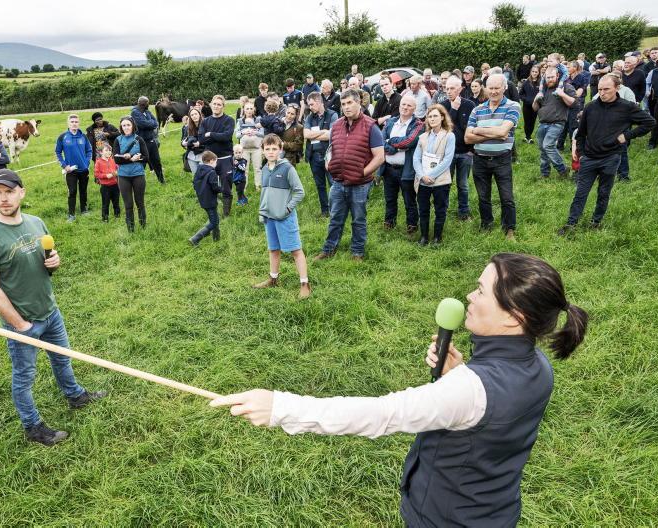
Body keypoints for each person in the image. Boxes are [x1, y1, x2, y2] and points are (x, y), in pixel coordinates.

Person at [210, 252, 588, 528]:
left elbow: (380, 414)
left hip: (444, 517)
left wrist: (278, 406)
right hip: (495, 511)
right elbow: (492, 412)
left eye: (481, 291)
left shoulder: (469, 391)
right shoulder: (539, 367)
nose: (470, 297)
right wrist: (462, 372)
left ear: (514, 317)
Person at [0, 169, 107, 446]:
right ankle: (33, 427)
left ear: (22, 192)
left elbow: (45, 261)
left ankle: (75, 396)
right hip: (21, 321)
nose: (4, 198)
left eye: (9, 191)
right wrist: (20, 325)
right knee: (24, 376)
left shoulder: (36, 223)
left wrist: (54, 261)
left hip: (50, 311)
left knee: (62, 358)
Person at [558, 75, 655, 234]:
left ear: (617, 88)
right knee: (580, 193)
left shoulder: (627, 107)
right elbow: (580, 133)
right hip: (589, 157)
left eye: (606, 89)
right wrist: (581, 153)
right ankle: (571, 224)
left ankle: (596, 222)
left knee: (604, 192)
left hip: (611, 157)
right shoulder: (590, 107)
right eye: (600, 89)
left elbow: (650, 122)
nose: (602, 93)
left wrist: (627, 136)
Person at [314, 88, 385, 262]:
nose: (346, 107)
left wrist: (363, 172)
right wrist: (327, 162)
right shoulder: (337, 125)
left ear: (358, 103)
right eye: (343, 104)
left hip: (360, 184)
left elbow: (380, 156)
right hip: (338, 182)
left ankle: (357, 252)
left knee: (358, 220)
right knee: (335, 218)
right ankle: (329, 249)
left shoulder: (370, 126)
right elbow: (331, 149)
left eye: (349, 103)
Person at [252, 134, 311, 299]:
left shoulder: (287, 169)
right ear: (263, 151)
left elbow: (299, 192)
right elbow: (265, 194)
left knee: (295, 250)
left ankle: (305, 283)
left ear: (280, 150)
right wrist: (262, 212)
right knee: (273, 249)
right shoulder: (264, 170)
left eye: (274, 149)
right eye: (267, 149)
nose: (271, 152)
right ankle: (273, 279)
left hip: (285, 218)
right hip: (269, 218)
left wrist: (287, 208)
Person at [465, 74, 520, 241]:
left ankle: (509, 229)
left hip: (502, 159)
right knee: (483, 196)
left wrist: (478, 130)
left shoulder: (513, 106)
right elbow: (467, 138)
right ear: (485, 88)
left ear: (504, 88)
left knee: (506, 196)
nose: (494, 91)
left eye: (497, 88)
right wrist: (492, 133)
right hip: (480, 159)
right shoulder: (477, 109)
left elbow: (504, 132)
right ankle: (486, 224)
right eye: (491, 88)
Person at [381, 95, 425, 234]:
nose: (405, 107)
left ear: (414, 108)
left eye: (409, 106)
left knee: (409, 199)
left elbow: (409, 141)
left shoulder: (418, 124)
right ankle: (389, 223)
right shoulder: (390, 122)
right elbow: (380, 141)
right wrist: (392, 148)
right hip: (388, 169)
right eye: (403, 104)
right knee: (389, 199)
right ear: (399, 105)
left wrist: (390, 141)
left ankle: (412, 226)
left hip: (406, 170)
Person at [413, 105, 456, 246]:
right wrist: (422, 175)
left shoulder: (449, 136)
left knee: (440, 209)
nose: (432, 119)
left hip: (440, 180)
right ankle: (424, 237)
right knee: (423, 210)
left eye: (435, 116)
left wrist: (431, 175)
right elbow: (416, 159)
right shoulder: (422, 137)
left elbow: (447, 160)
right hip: (423, 180)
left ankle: (437, 237)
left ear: (442, 117)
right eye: (430, 116)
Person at [441, 76, 476, 221]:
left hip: (465, 152)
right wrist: (453, 110)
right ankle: (442, 211)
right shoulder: (443, 106)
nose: (449, 91)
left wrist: (472, 150)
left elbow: (475, 128)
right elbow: (444, 129)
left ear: (460, 88)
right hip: (447, 153)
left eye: (452, 88)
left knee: (463, 185)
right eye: (447, 88)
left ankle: (464, 212)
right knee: (445, 184)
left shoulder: (470, 105)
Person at [533, 68, 576, 178]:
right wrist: (535, 100)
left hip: (557, 123)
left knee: (548, 145)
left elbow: (573, 103)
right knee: (543, 149)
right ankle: (544, 174)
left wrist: (562, 94)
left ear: (557, 75)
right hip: (542, 123)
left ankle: (563, 169)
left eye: (552, 77)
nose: (550, 79)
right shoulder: (543, 89)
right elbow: (535, 108)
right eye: (548, 77)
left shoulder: (565, 87)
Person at [199, 94, 236, 217]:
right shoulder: (205, 121)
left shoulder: (229, 120)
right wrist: (215, 136)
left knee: (226, 185)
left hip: (225, 158)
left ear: (223, 106)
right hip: (209, 159)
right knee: (209, 185)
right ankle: (211, 210)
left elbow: (226, 137)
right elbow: (202, 139)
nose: (216, 106)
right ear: (211, 105)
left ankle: (226, 213)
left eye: (219, 104)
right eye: (214, 104)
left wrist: (210, 134)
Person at [304, 91, 338, 217]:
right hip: (313, 156)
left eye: (312, 104)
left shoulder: (332, 115)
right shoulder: (309, 117)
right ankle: (325, 210)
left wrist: (321, 134)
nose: (310, 107)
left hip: (328, 155)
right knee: (320, 185)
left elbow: (332, 135)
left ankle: (336, 209)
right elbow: (306, 134)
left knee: (333, 184)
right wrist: (324, 131)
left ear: (319, 102)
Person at [55, 114, 93, 223]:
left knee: (83, 191)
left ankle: (84, 210)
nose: (74, 123)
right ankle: (71, 215)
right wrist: (64, 165)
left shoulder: (83, 136)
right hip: (70, 170)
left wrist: (86, 162)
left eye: (76, 121)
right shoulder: (63, 137)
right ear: (68, 123)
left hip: (83, 170)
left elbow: (89, 150)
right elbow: (57, 152)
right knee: (72, 192)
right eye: (72, 122)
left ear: (79, 123)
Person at [113, 116, 148, 232]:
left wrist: (139, 158)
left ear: (132, 126)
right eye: (124, 125)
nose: (126, 127)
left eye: (128, 125)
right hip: (123, 176)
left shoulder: (139, 139)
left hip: (138, 174)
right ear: (121, 127)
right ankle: (131, 229)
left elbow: (146, 157)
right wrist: (130, 159)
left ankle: (143, 227)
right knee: (128, 205)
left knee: (140, 202)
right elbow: (117, 160)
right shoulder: (118, 140)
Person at [189, 150, 222, 246]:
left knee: (215, 219)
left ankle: (216, 238)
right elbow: (215, 187)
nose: (216, 164)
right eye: (216, 161)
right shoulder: (212, 172)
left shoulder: (199, 170)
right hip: (210, 200)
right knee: (214, 222)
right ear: (211, 161)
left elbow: (194, 184)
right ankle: (195, 238)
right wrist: (221, 188)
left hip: (202, 199)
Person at [130, 96, 164, 184]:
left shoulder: (147, 111)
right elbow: (143, 124)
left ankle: (161, 180)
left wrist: (150, 124)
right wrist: (150, 124)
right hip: (141, 142)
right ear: (143, 104)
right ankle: (139, 183)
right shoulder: (135, 112)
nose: (148, 104)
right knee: (141, 163)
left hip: (151, 140)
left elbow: (155, 122)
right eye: (148, 103)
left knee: (156, 161)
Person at [235, 101, 264, 191]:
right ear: (244, 109)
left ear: (254, 109)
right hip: (244, 149)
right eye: (247, 108)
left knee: (258, 167)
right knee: (244, 169)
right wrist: (243, 132)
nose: (249, 110)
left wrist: (255, 132)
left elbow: (262, 133)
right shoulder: (240, 121)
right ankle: (244, 186)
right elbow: (237, 135)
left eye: (251, 108)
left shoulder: (258, 120)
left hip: (256, 148)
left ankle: (258, 186)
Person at [93, 144, 120, 222]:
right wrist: (105, 176)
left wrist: (117, 172)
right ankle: (105, 218)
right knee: (105, 203)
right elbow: (96, 174)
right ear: (101, 152)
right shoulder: (98, 162)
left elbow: (118, 168)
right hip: (105, 187)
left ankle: (117, 216)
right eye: (106, 150)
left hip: (115, 185)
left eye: (110, 150)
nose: (109, 152)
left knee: (116, 202)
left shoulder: (113, 160)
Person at [519, 65, 541, 143]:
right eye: (533, 71)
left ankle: (529, 136)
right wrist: (527, 99)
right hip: (526, 106)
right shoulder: (526, 82)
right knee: (527, 121)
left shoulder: (541, 83)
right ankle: (527, 136)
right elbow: (521, 94)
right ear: (530, 72)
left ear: (538, 73)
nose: (534, 73)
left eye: (536, 72)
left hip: (536, 106)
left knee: (533, 121)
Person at [181, 107, 205, 175]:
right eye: (192, 115)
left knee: (203, 175)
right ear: (190, 117)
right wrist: (183, 143)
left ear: (199, 114)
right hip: (191, 155)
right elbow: (183, 139)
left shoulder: (206, 125)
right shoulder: (187, 127)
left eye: (196, 114)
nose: (194, 116)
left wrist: (200, 143)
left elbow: (210, 140)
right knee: (196, 176)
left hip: (203, 154)